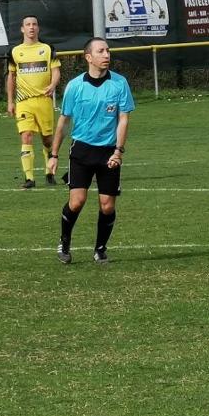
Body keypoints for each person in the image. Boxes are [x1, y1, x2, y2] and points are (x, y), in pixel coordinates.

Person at [45, 37, 134, 265]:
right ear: (88, 57)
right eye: (101, 51)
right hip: (82, 151)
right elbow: (63, 122)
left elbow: (123, 119)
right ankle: (64, 243)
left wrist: (118, 151)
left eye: (108, 51)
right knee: (77, 201)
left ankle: (100, 249)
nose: (107, 55)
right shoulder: (75, 86)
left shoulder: (119, 83)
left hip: (108, 152)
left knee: (107, 205)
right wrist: (53, 155)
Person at [6, 15, 61, 188]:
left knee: (47, 140)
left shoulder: (47, 49)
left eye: (34, 24)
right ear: (22, 29)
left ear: (38, 28)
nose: (31, 27)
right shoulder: (15, 51)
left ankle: (49, 172)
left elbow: (56, 70)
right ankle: (29, 178)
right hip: (24, 101)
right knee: (27, 136)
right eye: (28, 25)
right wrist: (10, 101)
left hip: (44, 101)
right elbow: (11, 77)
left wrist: (52, 84)